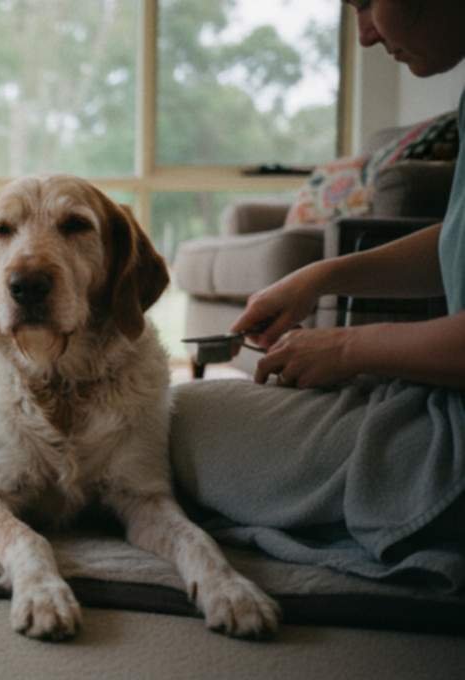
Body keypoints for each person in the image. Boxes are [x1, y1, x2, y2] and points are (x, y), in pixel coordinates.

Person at [169, 0, 465, 592]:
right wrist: (321, 276)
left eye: (364, 3)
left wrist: (349, 349)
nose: (363, 36)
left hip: (449, 447)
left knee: (174, 418)